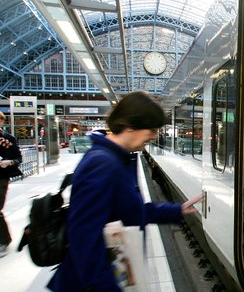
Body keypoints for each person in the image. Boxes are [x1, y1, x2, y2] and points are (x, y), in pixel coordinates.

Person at [47, 91, 202, 291]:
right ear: (131, 126)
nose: (154, 136)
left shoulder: (115, 158)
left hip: (104, 272)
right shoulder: (103, 163)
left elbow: (131, 212)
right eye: (152, 129)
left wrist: (176, 210)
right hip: (90, 282)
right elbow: (84, 239)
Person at [0, 112, 23, 258]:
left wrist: (9, 162)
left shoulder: (8, 139)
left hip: (1, 177)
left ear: (2, 122)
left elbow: (18, 158)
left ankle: (4, 239)